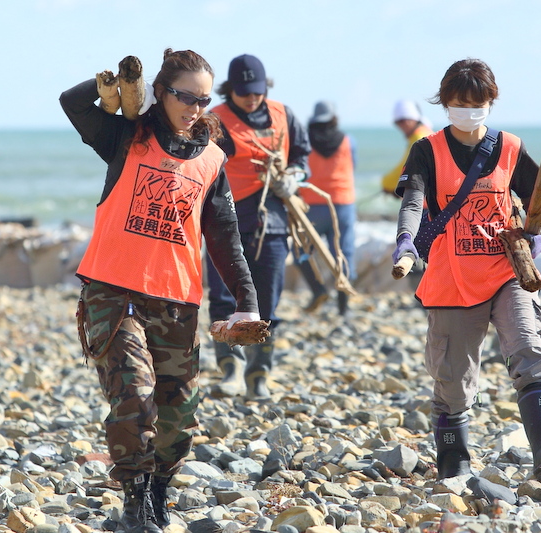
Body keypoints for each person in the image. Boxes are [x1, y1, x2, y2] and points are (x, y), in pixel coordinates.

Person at [61, 49, 260, 532]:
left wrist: (247, 304)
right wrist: (111, 84)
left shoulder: (212, 160)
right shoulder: (126, 136)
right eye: (185, 97)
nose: (195, 108)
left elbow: (225, 238)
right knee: (134, 397)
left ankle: (157, 492)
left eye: (203, 100)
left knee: (178, 417)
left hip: (176, 302)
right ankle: (133, 503)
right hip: (114, 294)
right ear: (159, 92)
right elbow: (72, 102)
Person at [391, 58, 541, 484]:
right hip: (452, 279)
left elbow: (538, 204)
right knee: (453, 381)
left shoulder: (510, 147)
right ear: (445, 104)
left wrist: (540, 240)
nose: (468, 111)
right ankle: (454, 462)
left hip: (507, 273)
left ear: (491, 102)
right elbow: (414, 201)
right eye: (459, 103)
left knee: (530, 350)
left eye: (476, 104)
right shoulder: (427, 150)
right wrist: (405, 240)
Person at [206, 54, 310, 399]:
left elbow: (302, 156)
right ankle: (230, 369)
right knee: (224, 298)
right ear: (230, 89)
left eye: (258, 91)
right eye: (244, 92)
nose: (252, 98)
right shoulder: (214, 121)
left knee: (267, 303)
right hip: (225, 223)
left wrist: (294, 177)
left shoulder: (284, 114)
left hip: (273, 223)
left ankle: (258, 374)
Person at [296, 100, 357, 315]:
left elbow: (298, 171)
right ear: (333, 118)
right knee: (343, 254)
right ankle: (343, 309)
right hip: (342, 205)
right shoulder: (348, 141)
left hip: (312, 206)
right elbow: (353, 166)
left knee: (301, 251)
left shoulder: (304, 141)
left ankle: (318, 289)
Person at [380, 100, 433, 196]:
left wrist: (387, 183)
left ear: (413, 119)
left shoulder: (418, 138)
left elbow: (405, 167)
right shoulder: (426, 132)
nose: (401, 125)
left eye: (402, 121)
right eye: (398, 122)